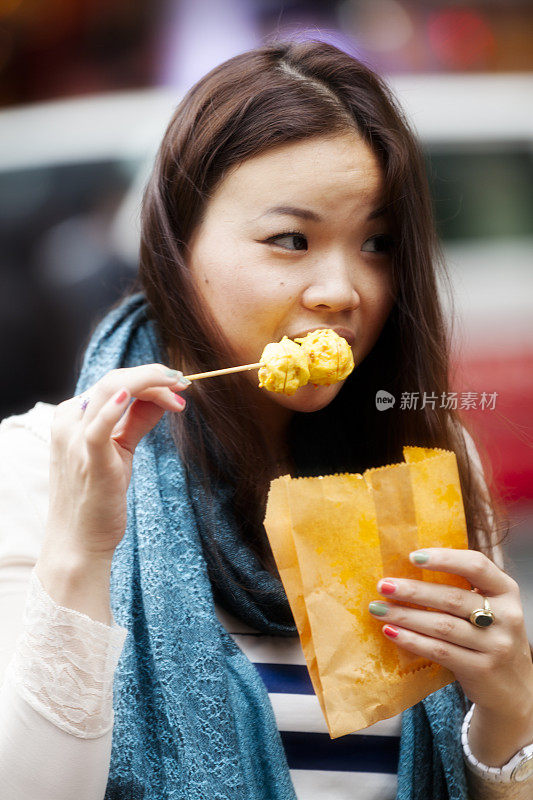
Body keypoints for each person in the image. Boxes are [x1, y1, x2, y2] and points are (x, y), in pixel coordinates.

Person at [0, 39, 532, 800]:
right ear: (180, 241)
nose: (341, 290)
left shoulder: (426, 464)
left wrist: (509, 705)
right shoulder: (40, 467)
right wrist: (81, 551)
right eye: (292, 240)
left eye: (377, 243)